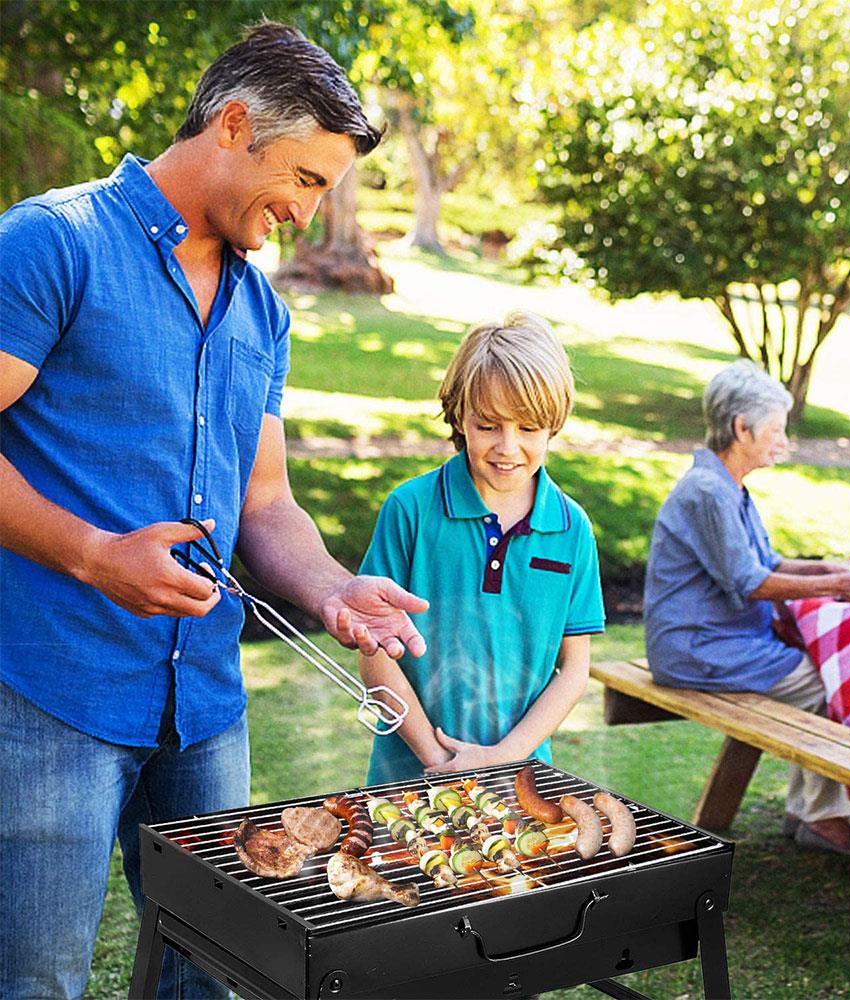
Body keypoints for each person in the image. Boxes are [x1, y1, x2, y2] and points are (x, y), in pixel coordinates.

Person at [0, 23, 429, 1000]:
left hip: (203, 709)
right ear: (234, 124)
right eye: (309, 179)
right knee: (36, 980)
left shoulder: (261, 313)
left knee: (213, 974)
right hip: (46, 692)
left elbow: (264, 501)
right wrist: (92, 553)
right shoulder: (53, 244)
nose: (313, 212)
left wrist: (335, 589)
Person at [643, 360, 850, 856]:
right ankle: (822, 815)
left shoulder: (725, 486)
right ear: (741, 428)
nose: (784, 440)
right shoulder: (710, 491)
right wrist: (837, 582)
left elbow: (767, 562)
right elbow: (750, 582)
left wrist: (833, 568)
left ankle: (809, 811)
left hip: (719, 642)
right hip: (697, 649)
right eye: (776, 429)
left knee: (821, 675)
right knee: (828, 681)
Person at [357, 312, 605, 783]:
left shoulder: (572, 529)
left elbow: (574, 670)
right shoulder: (408, 510)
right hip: (406, 777)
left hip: (521, 779)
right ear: (459, 417)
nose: (508, 447)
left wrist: (504, 757)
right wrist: (439, 763)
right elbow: (375, 656)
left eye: (528, 428)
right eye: (488, 425)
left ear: (553, 425)